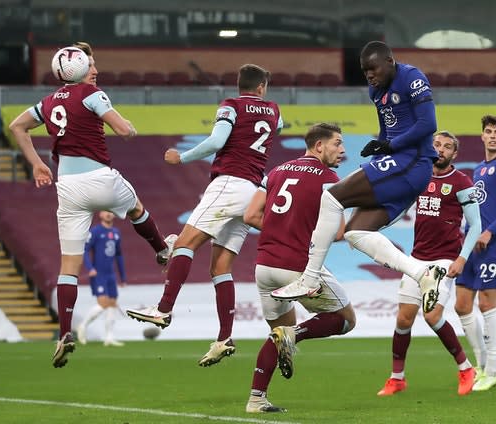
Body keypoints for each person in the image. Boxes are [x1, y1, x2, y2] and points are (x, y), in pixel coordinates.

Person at [8, 41, 171, 368]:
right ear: (81, 68)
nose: (95, 70)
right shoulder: (92, 94)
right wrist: (129, 129)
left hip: (67, 188)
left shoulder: (49, 100)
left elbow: (16, 126)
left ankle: (64, 333)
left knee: (69, 266)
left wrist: (37, 164)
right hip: (99, 178)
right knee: (137, 208)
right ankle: (162, 250)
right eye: (91, 65)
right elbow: (122, 129)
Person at [126, 64, 283, 367]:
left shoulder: (231, 105)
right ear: (262, 87)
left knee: (184, 244)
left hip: (228, 183)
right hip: (252, 192)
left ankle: (163, 309)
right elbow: (275, 126)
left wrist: (180, 157)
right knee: (221, 268)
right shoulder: (274, 110)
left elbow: (216, 142)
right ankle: (225, 337)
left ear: (240, 85)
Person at [271, 40, 446, 309]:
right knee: (355, 232)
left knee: (331, 198)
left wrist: (391, 146)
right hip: (398, 163)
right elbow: (387, 129)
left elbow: (428, 123)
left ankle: (310, 279)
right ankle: (423, 273)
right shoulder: (376, 91)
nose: (370, 76)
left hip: (413, 162)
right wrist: (380, 149)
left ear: (389, 61)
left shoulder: (411, 77)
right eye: (365, 72)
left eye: (373, 69)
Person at [242, 123, 354, 413]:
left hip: (264, 266)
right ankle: (295, 335)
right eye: (337, 143)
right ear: (319, 146)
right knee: (345, 319)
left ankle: (256, 399)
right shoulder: (330, 178)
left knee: (279, 330)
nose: (342, 150)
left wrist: (281, 230)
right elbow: (338, 232)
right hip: (298, 266)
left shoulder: (277, 172)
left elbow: (250, 215)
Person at [377, 131, 481, 397]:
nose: (441, 149)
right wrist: (376, 226)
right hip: (417, 258)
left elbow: (476, 224)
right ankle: (397, 378)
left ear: (454, 154)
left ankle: (466, 368)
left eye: (447, 147)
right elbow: (402, 207)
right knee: (404, 318)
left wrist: (461, 258)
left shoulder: (461, 182)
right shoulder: (419, 176)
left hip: (445, 258)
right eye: (437, 144)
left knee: (432, 314)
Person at [455, 115, 496, 391]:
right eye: (488, 131)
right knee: (461, 305)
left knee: (486, 304)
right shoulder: (480, 169)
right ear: (482, 136)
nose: (493, 136)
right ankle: (481, 365)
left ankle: (491, 371)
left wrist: (489, 232)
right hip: (472, 244)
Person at [77, 211, 127, 347]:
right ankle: (82, 326)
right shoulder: (95, 231)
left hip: (111, 274)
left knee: (112, 304)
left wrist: (123, 277)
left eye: (111, 212)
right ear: (100, 214)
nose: (109, 214)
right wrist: (90, 268)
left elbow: (119, 255)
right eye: (106, 212)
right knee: (103, 303)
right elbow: (85, 250)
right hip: (98, 273)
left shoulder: (116, 232)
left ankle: (109, 337)